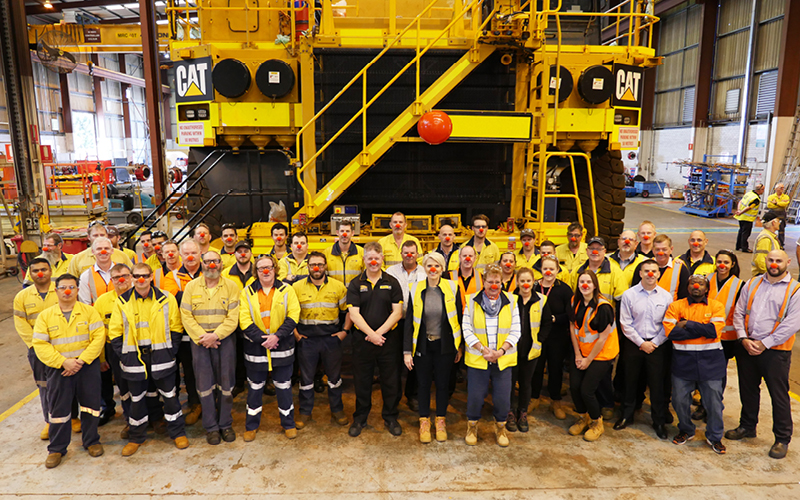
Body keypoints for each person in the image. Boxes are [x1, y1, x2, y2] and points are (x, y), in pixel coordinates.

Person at [108, 263, 189, 456]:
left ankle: (177, 433)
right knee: (136, 399)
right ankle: (136, 437)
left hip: (162, 356)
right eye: (136, 276)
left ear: (152, 277)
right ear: (131, 278)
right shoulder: (122, 301)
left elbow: (176, 327)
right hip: (134, 359)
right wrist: (125, 355)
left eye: (144, 275)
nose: (141, 279)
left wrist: (170, 352)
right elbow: (115, 332)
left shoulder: (166, 298)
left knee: (170, 397)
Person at [728, 250, 800, 459]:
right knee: (748, 389)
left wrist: (764, 344)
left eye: (779, 261)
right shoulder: (752, 283)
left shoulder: (795, 290)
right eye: (771, 260)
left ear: (788, 262)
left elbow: (792, 324)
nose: (774, 264)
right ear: (765, 261)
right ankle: (747, 426)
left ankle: (782, 438)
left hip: (775, 352)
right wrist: (743, 338)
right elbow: (739, 311)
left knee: (778, 395)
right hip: (748, 346)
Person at [32, 274, 105, 468]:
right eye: (63, 287)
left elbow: (98, 338)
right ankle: (56, 448)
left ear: (77, 290)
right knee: (59, 409)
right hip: (59, 370)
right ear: (55, 291)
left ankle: (92, 441)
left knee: (91, 406)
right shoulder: (45, 316)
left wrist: (80, 361)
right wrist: (63, 362)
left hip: (86, 367)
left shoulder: (89, 312)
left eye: (71, 287)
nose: (67, 291)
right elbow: (40, 344)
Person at [180, 250, 241, 445]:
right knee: (204, 386)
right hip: (200, 343)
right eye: (207, 262)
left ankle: (225, 424)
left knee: (226, 385)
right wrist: (203, 337)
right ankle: (211, 427)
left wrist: (215, 336)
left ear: (221, 263)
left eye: (215, 261)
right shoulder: (191, 287)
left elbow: (233, 317)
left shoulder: (231, 286)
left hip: (225, 342)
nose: (211, 265)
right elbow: (186, 316)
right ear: (202, 264)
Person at [239, 254, 301, 441]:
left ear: (275, 269)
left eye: (269, 267)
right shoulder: (246, 292)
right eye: (261, 268)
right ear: (256, 271)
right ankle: (251, 426)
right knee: (255, 388)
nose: (265, 271)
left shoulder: (287, 290)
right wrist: (262, 339)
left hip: (281, 346)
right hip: (256, 349)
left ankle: (288, 424)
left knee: (284, 387)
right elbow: (244, 319)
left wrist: (277, 336)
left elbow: (293, 315)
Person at [663, 275, 727, 454]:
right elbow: (671, 333)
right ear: (688, 286)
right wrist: (702, 330)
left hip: (711, 364)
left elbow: (713, 331)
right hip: (683, 363)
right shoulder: (676, 306)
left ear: (706, 288)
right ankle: (686, 429)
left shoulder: (716, 306)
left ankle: (715, 436)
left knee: (714, 403)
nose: (696, 286)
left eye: (701, 284)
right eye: (692, 283)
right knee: (679, 400)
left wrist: (687, 324)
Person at [346, 242, 404, 437]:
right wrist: (371, 335)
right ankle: (360, 418)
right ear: (364, 260)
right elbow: (354, 314)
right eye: (369, 258)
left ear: (382, 259)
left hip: (388, 342)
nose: (373, 262)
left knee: (391, 381)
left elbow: (397, 313)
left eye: (376, 258)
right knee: (362, 381)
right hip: (362, 342)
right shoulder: (355, 284)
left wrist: (379, 334)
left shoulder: (392, 282)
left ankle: (391, 417)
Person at [403, 252, 462, 443]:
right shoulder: (416, 288)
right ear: (425, 268)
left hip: (445, 347)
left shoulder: (452, 287)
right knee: (423, 384)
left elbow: (459, 318)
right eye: (429, 265)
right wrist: (407, 351)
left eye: (437, 265)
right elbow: (409, 321)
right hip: (423, 346)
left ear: (442, 268)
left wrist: (459, 346)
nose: (433, 269)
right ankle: (424, 421)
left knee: (443, 385)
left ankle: (441, 420)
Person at [462, 263, 520, 447]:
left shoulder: (512, 301)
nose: (494, 286)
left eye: (497, 282)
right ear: (483, 282)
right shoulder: (471, 301)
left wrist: (500, 351)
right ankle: (472, 427)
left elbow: (516, 331)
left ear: (502, 282)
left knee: (502, 398)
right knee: (475, 397)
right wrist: (483, 350)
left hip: (502, 359)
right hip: (479, 358)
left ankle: (500, 428)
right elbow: (466, 329)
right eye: (490, 282)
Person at [616, 259, 673, 439]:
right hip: (634, 344)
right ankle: (626, 415)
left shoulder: (666, 297)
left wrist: (654, 342)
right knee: (630, 381)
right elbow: (625, 323)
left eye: (654, 271)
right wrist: (641, 343)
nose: (650, 274)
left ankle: (658, 421)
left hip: (657, 346)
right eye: (646, 270)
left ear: (658, 274)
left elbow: (668, 324)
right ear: (640, 273)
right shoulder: (629, 295)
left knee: (657, 385)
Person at [293, 252, 351, 428]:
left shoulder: (338, 286)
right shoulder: (296, 287)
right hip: (307, 340)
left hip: (331, 339)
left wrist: (344, 332)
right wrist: (296, 335)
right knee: (306, 379)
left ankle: (337, 410)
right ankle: (305, 412)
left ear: (325, 266)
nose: (316, 268)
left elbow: (348, 311)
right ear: (308, 267)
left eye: (320, 264)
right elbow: (289, 313)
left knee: (334, 378)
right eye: (313, 265)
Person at [568, 270, 619, 442]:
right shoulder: (575, 301)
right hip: (581, 352)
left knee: (587, 390)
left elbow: (603, 338)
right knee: (574, 386)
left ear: (595, 285)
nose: (585, 285)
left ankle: (597, 422)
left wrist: (588, 360)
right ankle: (583, 417)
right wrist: (577, 354)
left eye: (589, 282)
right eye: (582, 282)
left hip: (601, 354)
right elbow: (573, 328)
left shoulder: (603, 307)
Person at [14, 257, 58, 440]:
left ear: (50, 271)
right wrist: (35, 345)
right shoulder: (22, 297)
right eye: (35, 271)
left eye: (44, 269)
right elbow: (21, 323)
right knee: (44, 385)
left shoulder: (61, 290)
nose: (40, 273)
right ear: (30, 274)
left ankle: (72, 418)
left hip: (62, 346)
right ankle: (50, 421)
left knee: (66, 383)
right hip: (38, 349)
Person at [161, 239, 203, 426]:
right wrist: (200, 296)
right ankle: (187, 405)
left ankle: (203, 403)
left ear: (200, 253)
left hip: (207, 331)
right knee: (186, 369)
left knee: (203, 370)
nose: (190, 257)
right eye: (186, 253)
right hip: (183, 331)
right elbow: (174, 298)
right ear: (181, 255)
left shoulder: (209, 272)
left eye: (194, 253)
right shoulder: (172, 276)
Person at [506, 267, 551, 433]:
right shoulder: (509, 299)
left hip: (530, 351)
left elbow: (547, 323)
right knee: (510, 383)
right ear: (517, 282)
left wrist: (539, 340)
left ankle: (522, 412)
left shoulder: (542, 300)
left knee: (526, 383)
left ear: (534, 282)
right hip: (511, 350)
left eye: (528, 281)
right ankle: (510, 412)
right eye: (522, 281)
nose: (525, 284)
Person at [530, 255, 573, 420]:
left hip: (557, 337)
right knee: (536, 368)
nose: (548, 272)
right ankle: (534, 398)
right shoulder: (534, 286)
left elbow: (570, 313)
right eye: (545, 268)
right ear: (541, 269)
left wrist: (554, 319)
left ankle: (556, 401)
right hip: (537, 335)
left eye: (552, 269)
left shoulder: (564, 289)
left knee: (555, 369)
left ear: (557, 270)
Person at [387, 239, 427, 411]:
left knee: (416, 360)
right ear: (401, 254)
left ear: (417, 254)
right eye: (406, 252)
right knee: (394, 361)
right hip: (396, 322)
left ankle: (413, 395)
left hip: (418, 323)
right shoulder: (391, 272)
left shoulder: (425, 272)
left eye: (412, 252)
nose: (409, 255)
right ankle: (394, 396)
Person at [220, 241, 255, 396]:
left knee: (258, 351)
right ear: (234, 254)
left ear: (251, 253)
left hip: (256, 319)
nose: (242, 254)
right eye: (239, 251)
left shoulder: (258, 271)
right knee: (237, 353)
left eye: (246, 251)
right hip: (234, 319)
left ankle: (263, 381)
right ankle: (239, 383)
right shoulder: (226, 273)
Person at [569, 237, 627, 303]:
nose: (595, 252)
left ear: (604, 251)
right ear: (587, 251)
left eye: (599, 249)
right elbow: (569, 296)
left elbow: (621, 300)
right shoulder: (576, 271)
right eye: (591, 248)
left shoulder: (616, 272)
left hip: (604, 309)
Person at [632, 235, 689, 301]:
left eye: (664, 249)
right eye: (657, 249)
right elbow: (635, 292)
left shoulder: (680, 268)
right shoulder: (642, 266)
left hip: (671, 307)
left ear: (671, 249)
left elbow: (684, 298)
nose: (660, 253)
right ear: (652, 250)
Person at [67, 223, 132, 277]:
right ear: (89, 237)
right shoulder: (78, 259)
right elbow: (70, 281)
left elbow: (132, 276)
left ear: (107, 236)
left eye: (102, 235)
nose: (99, 238)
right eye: (95, 235)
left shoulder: (121, 256)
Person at [325, 220, 364, 286]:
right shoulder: (326, 253)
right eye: (342, 231)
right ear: (337, 232)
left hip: (355, 291)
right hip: (335, 291)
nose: (344, 234)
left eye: (347, 231)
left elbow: (366, 275)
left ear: (352, 233)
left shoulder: (362, 253)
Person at [78, 237, 115, 305]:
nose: (103, 251)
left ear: (112, 251)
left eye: (106, 248)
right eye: (99, 249)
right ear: (93, 252)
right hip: (96, 311)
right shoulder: (86, 276)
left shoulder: (124, 272)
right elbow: (85, 304)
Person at [444, 245, 482, 310]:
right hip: (456, 314)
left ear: (475, 258)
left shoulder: (482, 278)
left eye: (470, 256)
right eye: (464, 256)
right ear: (460, 257)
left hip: (473, 314)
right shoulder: (448, 277)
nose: (467, 259)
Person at [734, 183, 764, 253]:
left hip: (741, 217)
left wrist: (739, 210)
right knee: (746, 234)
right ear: (759, 190)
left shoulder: (749, 193)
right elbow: (749, 207)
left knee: (741, 231)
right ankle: (744, 248)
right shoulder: (756, 199)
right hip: (747, 218)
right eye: (762, 189)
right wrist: (741, 212)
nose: (763, 191)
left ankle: (738, 246)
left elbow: (740, 201)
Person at [751, 211, 782, 277]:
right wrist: (771, 275)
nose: (779, 223)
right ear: (773, 223)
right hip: (763, 275)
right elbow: (760, 261)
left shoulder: (771, 236)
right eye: (778, 221)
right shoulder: (765, 239)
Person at [767, 182, 790, 247]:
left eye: (783, 188)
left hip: (781, 214)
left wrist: (776, 203)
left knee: (781, 230)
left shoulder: (786, 196)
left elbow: (785, 204)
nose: (782, 189)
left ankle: (781, 244)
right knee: (770, 228)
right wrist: (780, 203)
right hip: (772, 214)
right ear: (776, 188)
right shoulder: (771, 196)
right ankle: (769, 243)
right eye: (781, 188)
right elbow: (769, 205)